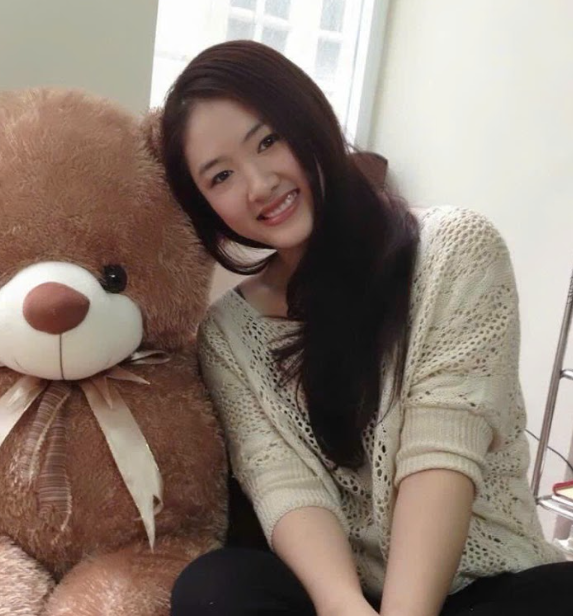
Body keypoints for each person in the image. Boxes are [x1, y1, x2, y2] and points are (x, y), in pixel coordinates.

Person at [158, 40, 572, 616]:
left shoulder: (455, 249)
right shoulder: (227, 333)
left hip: (482, 585)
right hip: (344, 595)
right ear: (204, 205)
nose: (258, 184)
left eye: (269, 141)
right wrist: (343, 605)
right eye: (221, 175)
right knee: (214, 586)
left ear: (312, 120)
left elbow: (441, 455)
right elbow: (285, 486)